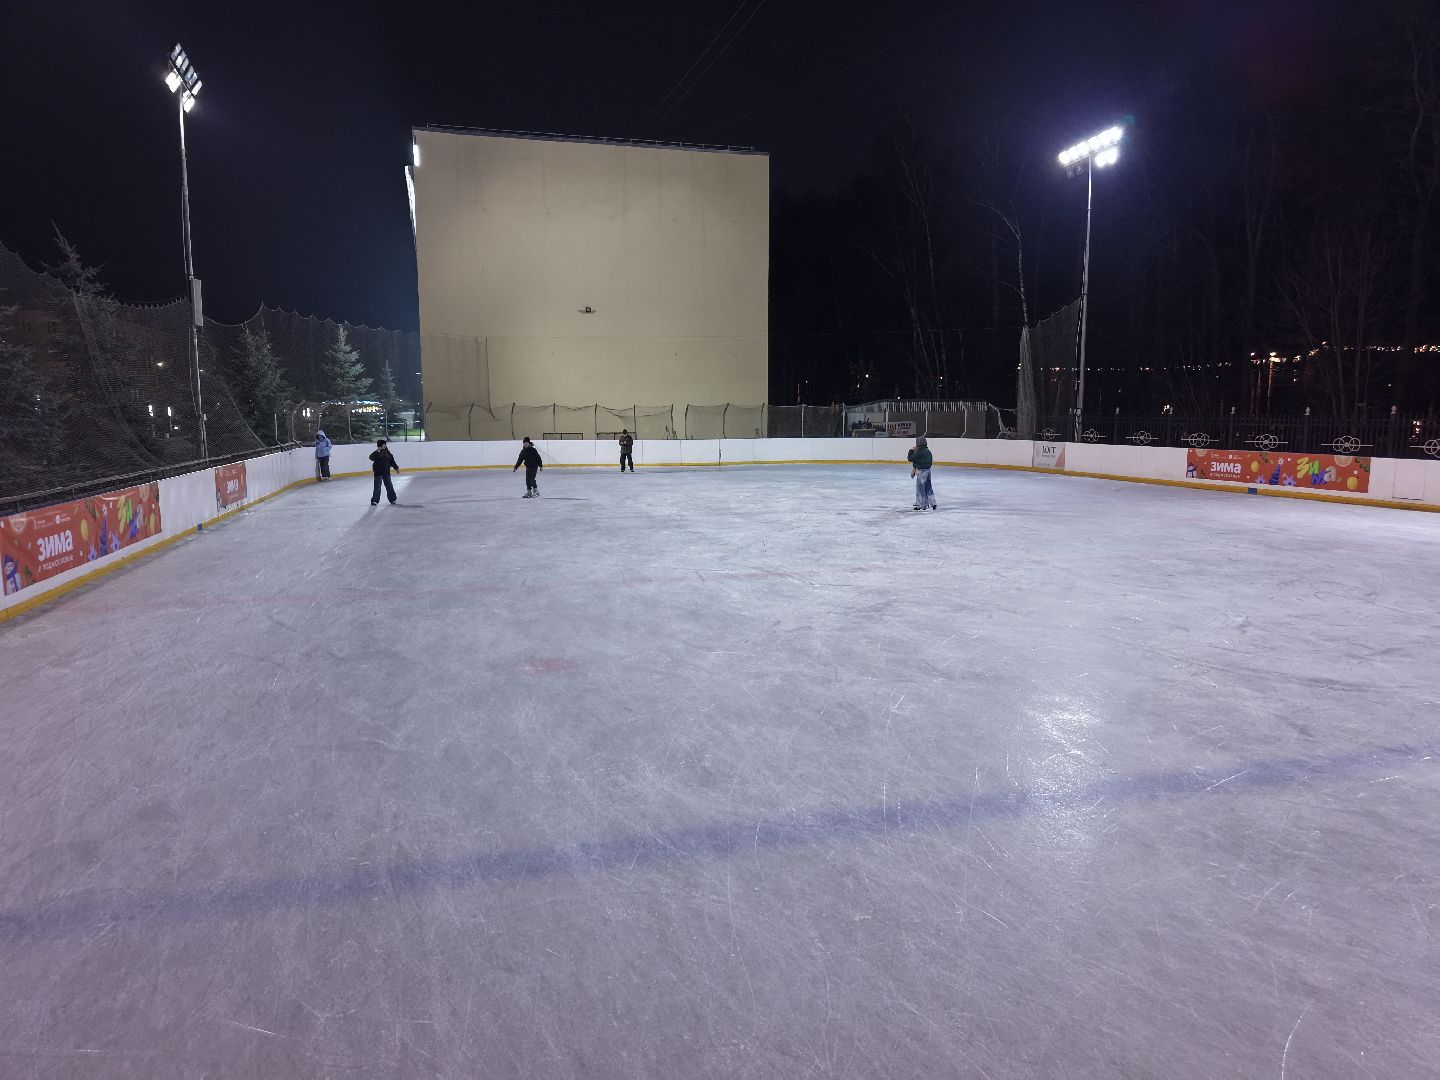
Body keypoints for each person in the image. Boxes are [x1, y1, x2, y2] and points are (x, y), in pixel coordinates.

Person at [369, 438, 400, 505]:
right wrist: (377, 451)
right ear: (380, 445)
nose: (385, 446)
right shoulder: (377, 452)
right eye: (383, 444)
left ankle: (392, 499)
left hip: (386, 473)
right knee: (377, 487)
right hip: (378, 473)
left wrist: (396, 468)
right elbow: (371, 458)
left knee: (389, 486)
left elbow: (392, 461)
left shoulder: (388, 452)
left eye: (385, 444)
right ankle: (375, 500)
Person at [910, 436, 937, 511]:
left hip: (922, 472)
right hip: (928, 471)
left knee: (920, 488)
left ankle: (922, 504)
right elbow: (918, 461)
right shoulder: (927, 451)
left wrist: (911, 450)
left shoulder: (920, 451)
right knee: (928, 487)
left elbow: (910, 458)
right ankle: (933, 503)